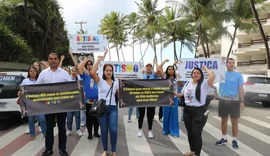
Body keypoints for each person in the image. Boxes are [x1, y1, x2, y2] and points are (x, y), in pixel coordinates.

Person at [35, 53, 72, 156]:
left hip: (61, 105)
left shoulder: (64, 73)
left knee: (62, 128)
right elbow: (35, 87)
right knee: (49, 128)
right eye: (51, 59)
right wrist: (24, 91)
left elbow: (71, 86)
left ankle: (62, 149)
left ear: (57, 60)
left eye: (55, 59)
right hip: (48, 106)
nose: (53, 60)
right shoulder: (43, 73)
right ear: (48, 60)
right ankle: (48, 149)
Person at [174, 66, 215, 156]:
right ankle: (192, 151)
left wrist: (205, 69)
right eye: (194, 73)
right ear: (191, 75)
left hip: (199, 111)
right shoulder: (188, 83)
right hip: (188, 110)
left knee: (196, 133)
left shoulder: (204, 83)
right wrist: (176, 94)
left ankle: (197, 153)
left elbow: (212, 76)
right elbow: (182, 94)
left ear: (201, 75)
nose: (196, 74)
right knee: (190, 133)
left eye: (198, 73)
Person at [90, 55, 119, 156]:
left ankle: (114, 151)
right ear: (104, 71)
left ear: (112, 72)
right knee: (104, 129)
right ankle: (105, 150)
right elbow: (92, 72)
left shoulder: (116, 82)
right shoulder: (100, 81)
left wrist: (123, 84)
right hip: (101, 109)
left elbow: (120, 95)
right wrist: (98, 60)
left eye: (110, 70)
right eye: (106, 70)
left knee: (113, 129)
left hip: (112, 108)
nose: (108, 72)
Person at [215, 58, 245, 149]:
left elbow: (241, 88)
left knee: (234, 121)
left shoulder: (238, 75)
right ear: (226, 64)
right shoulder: (221, 74)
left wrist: (242, 101)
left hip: (234, 101)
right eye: (229, 63)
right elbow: (214, 69)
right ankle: (224, 138)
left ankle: (235, 140)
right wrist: (221, 60)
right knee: (224, 120)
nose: (231, 64)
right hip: (223, 100)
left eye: (233, 63)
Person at [137, 59, 162, 139]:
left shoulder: (154, 75)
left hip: (151, 98)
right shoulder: (141, 75)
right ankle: (139, 129)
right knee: (141, 114)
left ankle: (150, 130)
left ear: (151, 68)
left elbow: (159, 70)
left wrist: (156, 62)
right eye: (147, 66)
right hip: (142, 98)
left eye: (150, 66)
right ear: (145, 68)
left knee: (150, 115)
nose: (148, 67)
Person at [20, 67, 46, 140]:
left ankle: (45, 132)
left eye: (34, 71)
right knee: (31, 120)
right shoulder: (25, 81)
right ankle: (32, 134)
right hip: (29, 104)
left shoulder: (39, 80)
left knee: (42, 119)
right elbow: (21, 90)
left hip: (39, 103)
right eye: (31, 71)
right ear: (29, 72)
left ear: (36, 72)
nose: (32, 72)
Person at [78, 58, 101, 140]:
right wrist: (86, 59)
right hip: (88, 101)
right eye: (87, 64)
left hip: (98, 100)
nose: (89, 65)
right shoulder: (85, 76)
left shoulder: (98, 75)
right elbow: (79, 68)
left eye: (91, 64)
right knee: (89, 118)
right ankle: (90, 133)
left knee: (97, 118)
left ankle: (96, 132)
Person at [162, 65, 179, 137]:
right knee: (166, 114)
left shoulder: (176, 78)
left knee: (174, 115)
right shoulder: (165, 78)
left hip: (174, 98)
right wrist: (164, 62)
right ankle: (166, 130)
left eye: (172, 69)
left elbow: (181, 85)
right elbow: (159, 69)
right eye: (169, 69)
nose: (171, 70)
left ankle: (174, 131)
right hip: (166, 99)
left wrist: (179, 79)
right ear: (167, 70)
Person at [66, 67, 83, 137]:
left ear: (77, 72)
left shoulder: (79, 79)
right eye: (72, 71)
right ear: (70, 72)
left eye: (75, 71)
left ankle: (78, 129)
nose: (74, 72)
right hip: (69, 101)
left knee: (77, 116)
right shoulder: (67, 79)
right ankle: (69, 129)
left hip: (77, 100)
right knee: (69, 117)